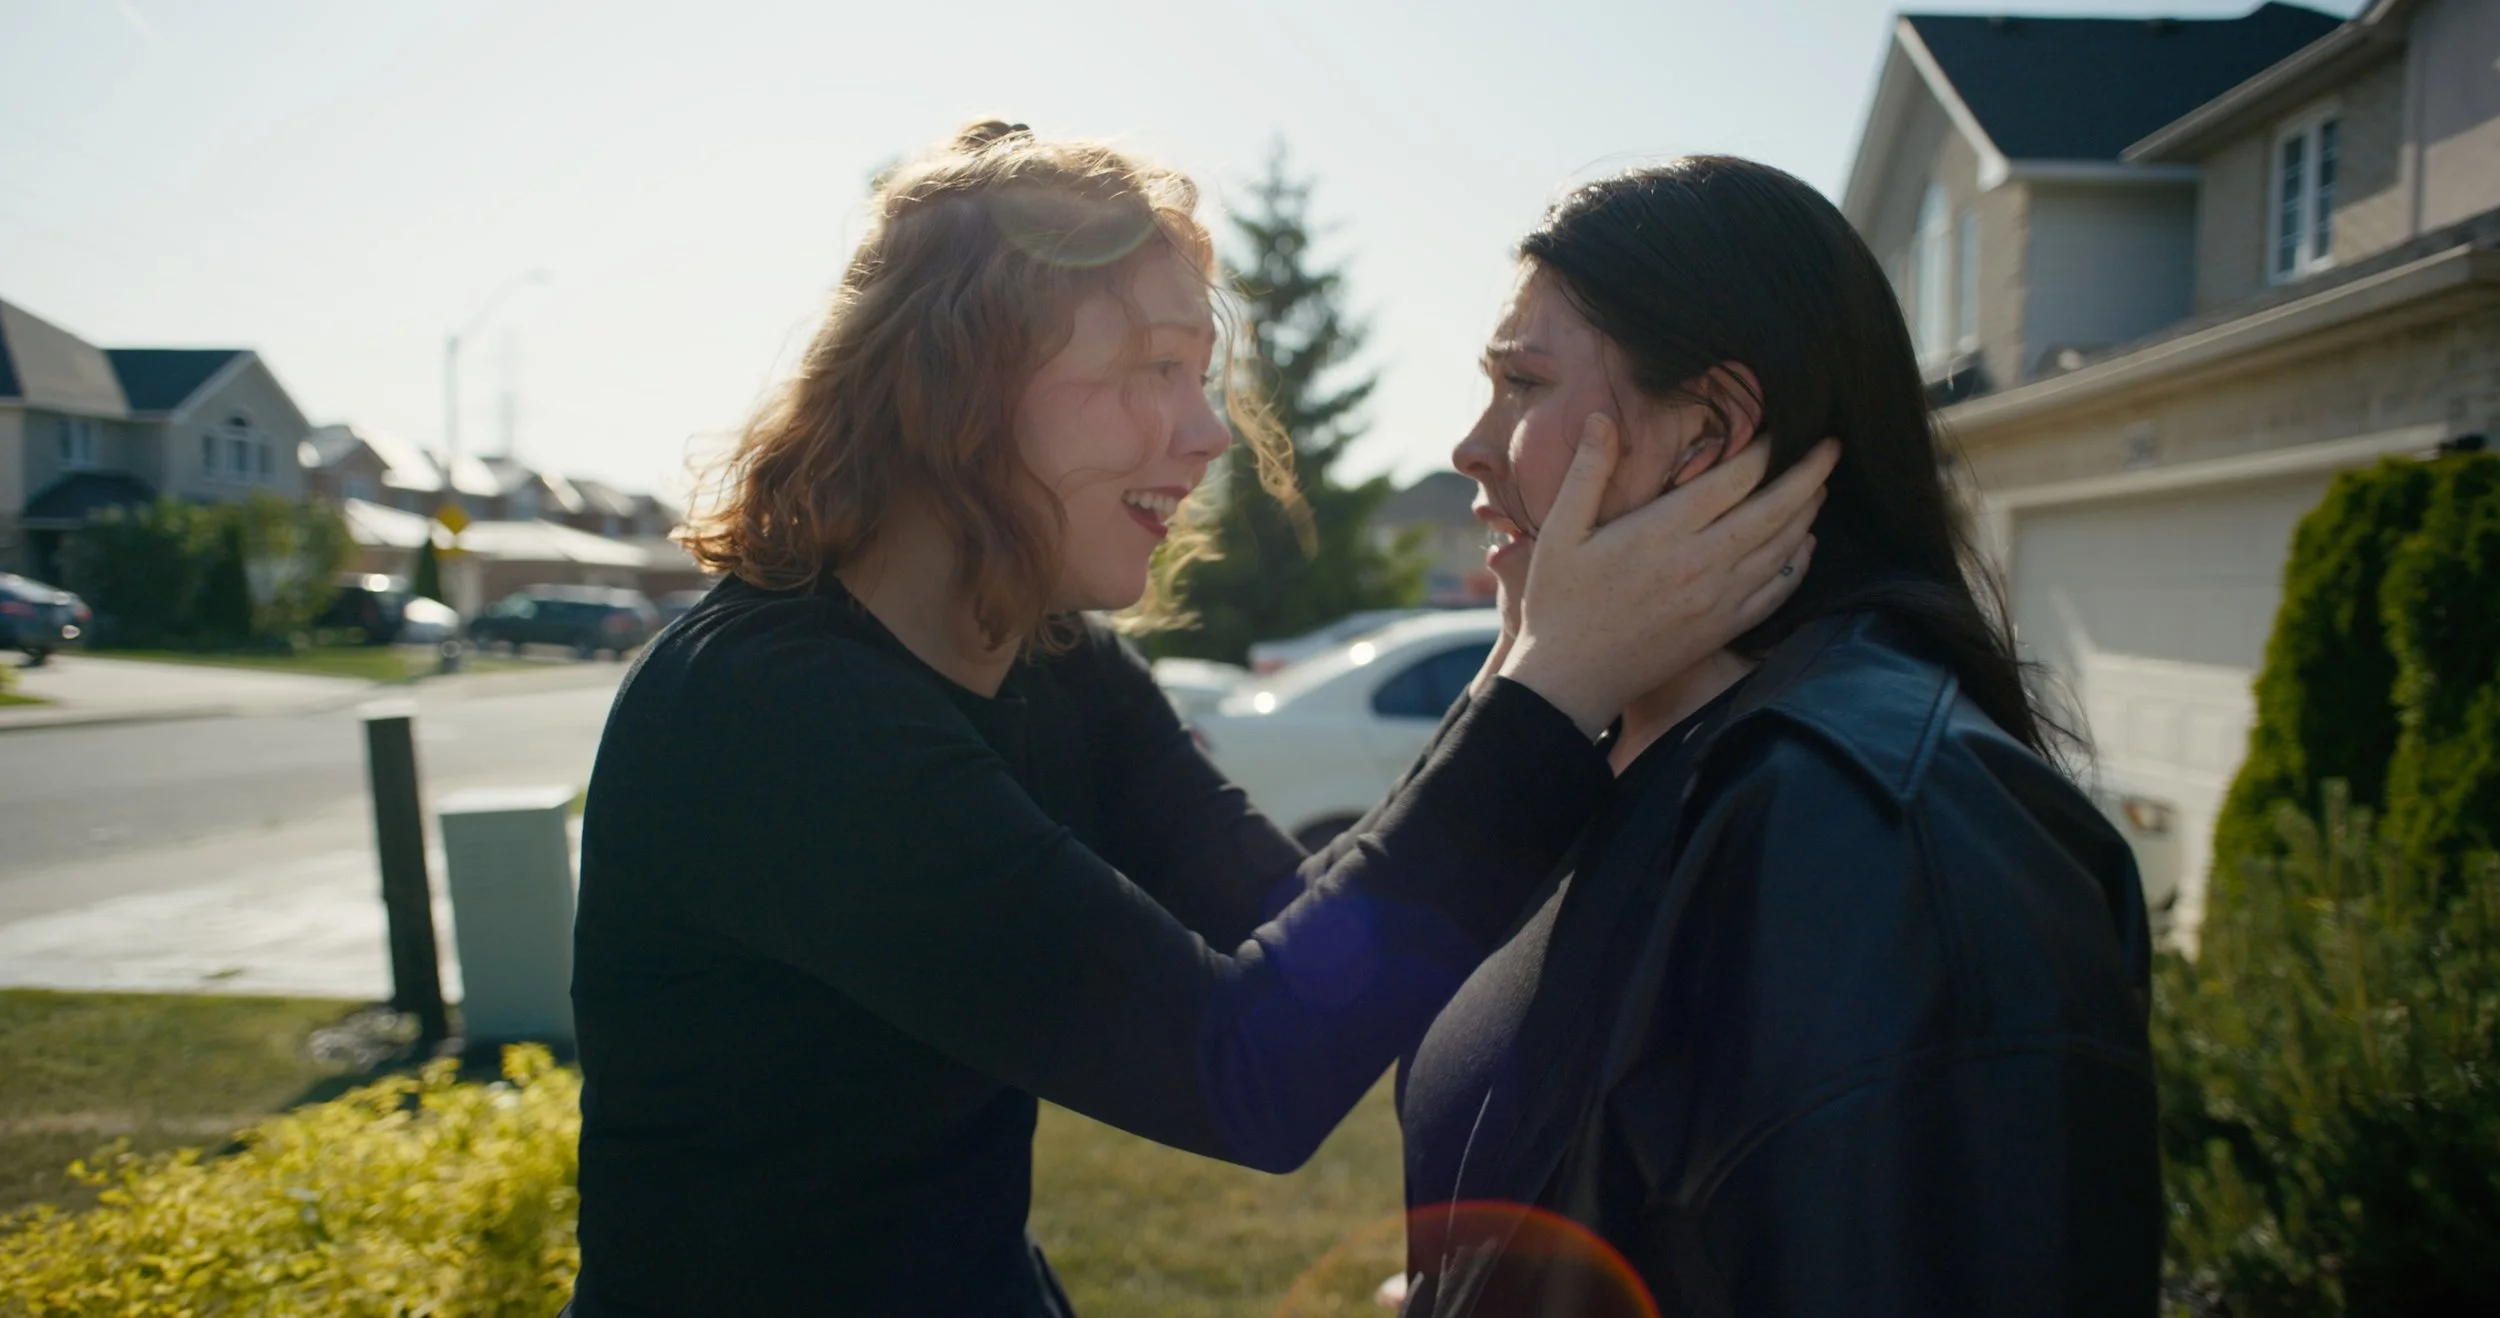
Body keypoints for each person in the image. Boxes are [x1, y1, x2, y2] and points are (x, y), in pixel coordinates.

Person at [562, 124, 1832, 1317]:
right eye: (1152, 370)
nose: (1208, 431)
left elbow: (1319, 946)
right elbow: (1247, 1071)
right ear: (960, 384)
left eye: (1200, 375)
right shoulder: (774, 716)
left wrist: (1521, 664)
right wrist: (1549, 688)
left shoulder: (1053, 660)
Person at [1394, 156, 2159, 1317]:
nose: (1469, 443)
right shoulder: (1612, 751)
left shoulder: (1876, 839)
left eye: (1521, 383)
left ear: (1707, 432)